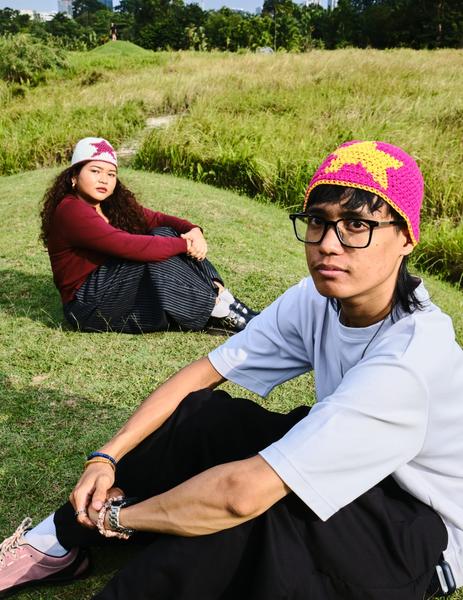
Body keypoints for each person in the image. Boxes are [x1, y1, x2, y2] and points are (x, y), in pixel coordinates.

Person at [1, 140, 462, 599]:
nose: (327, 245)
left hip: (419, 528)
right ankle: (55, 542)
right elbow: (202, 374)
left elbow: (240, 496)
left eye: (357, 225)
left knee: (239, 524)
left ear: (406, 237)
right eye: (318, 221)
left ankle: (121, 530)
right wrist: (106, 456)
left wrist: (122, 518)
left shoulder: (409, 360)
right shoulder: (317, 298)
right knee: (201, 415)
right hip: (353, 460)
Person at [39, 137, 257, 334]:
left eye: (111, 174)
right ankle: (218, 309)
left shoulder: (110, 205)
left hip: (113, 287)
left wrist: (193, 230)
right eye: (95, 171)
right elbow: (127, 245)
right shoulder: (71, 210)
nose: (104, 179)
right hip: (86, 304)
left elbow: (157, 219)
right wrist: (184, 244)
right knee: (152, 254)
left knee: (163, 233)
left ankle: (224, 299)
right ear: (74, 176)